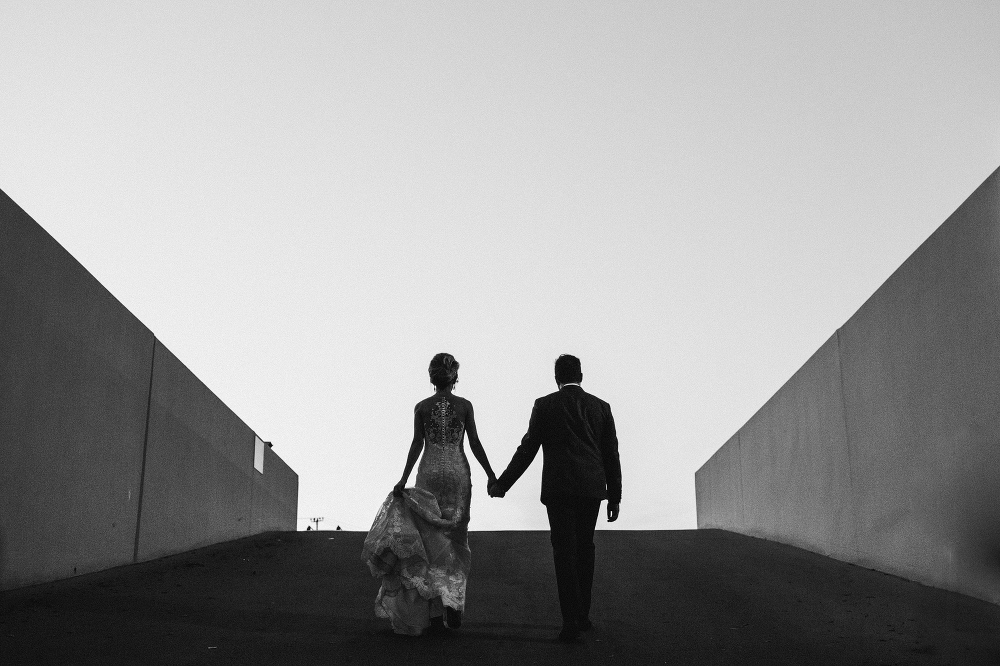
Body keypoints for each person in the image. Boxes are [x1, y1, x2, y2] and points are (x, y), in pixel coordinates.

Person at [362, 353, 498, 636]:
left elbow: (416, 444)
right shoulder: (464, 406)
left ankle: (434, 610)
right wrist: (490, 474)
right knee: (456, 539)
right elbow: (474, 442)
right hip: (458, 474)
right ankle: (452, 603)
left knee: (431, 539)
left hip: (429, 472)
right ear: (455, 378)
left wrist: (402, 478)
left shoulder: (422, 407)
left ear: (432, 378)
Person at [489, 354, 621, 643]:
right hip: (591, 489)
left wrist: (502, 483)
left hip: (558, 489)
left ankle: (569, 622)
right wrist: (615, 495)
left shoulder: (545, 405)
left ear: (557, 378)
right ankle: (583, 614)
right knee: (585, 548)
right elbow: (611, 454)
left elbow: (528, 449)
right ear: (581, 375)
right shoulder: (601, 407)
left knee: (564, 552)